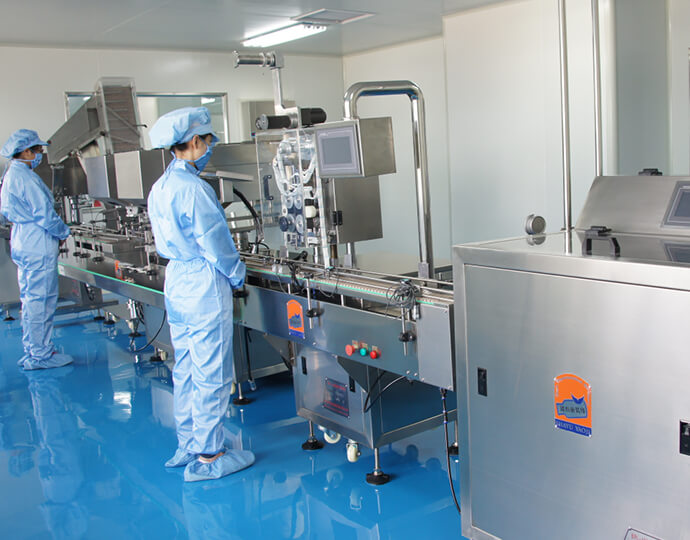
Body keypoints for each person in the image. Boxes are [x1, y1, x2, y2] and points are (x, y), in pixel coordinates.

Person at [147, 107, 254, 482]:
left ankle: (189, 444)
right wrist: (237, 275)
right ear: (195, 141)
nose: (209, 149)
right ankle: (209, 455)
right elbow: (217, 244)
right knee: (212, 372)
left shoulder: (160, 187)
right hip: (202, 284)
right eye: (208, 141)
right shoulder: (194, 189)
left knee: (187, 368)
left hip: (177, 280)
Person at [0, 129, 73, 370]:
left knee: (31, 299)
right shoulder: (27, 179)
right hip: (36, 241)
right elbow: (45, 215)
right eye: (38, 150)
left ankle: (33, 349)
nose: (40, 154)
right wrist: (64, 232)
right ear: (26, 152)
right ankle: (41, 355)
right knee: (41, 300)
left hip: (22, 239)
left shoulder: (12, 175)